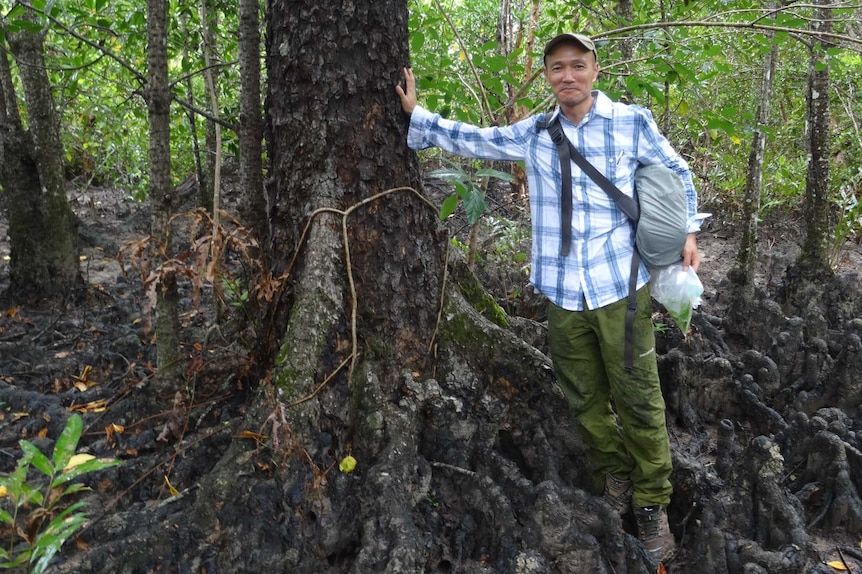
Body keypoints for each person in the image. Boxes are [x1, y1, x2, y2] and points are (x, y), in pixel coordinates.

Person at [396, 32, 703, 561]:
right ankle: (614, 479)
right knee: (584, 398)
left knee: (638, 399)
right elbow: (478, 140)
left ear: (594, 70)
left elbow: (676, 172)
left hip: (619, 288)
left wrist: (688, 232)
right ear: (547, 76)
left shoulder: (631, 122)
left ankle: (652, 504)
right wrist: (418, 115)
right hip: (561, 291)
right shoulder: (536, 132)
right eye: (557, 67)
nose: (568, 76)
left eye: (577, 66)